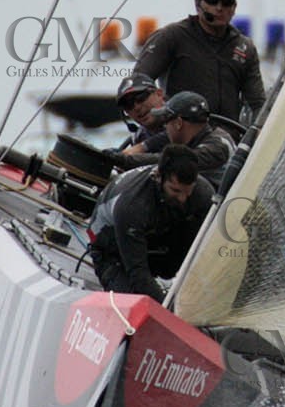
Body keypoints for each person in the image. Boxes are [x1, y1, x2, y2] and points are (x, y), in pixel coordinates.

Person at [133, 0, 266, 138]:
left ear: (234, 7)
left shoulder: (245, 48)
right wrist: (155, 116)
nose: (219, 8)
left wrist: (257, 136)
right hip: (175, 138)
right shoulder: (172, 36)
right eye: (212, 1)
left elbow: (258, 104)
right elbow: (138, 81)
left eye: (226, 2)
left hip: (225, 142)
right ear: (198, 3)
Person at [88, 144, 214, 300]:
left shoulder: (203, 192)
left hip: (156, 238)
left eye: (188, 191)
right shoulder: (132, 205)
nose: (182, 198)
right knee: (137, 299)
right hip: (113, 251)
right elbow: (138, 273)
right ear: (158, 177)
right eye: (175, 191)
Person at [109, 91, 234, 188]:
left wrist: (126, 160)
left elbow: (175, 160)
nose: (165, 128)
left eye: (166, 122)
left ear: (178, 123)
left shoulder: (218, 146)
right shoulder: (202, 138)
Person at [115, 71, 166, 150]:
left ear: (159, 94)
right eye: (128, 105)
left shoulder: (183, 117)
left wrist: (143, 147)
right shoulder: (138, 138)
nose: (136, 107)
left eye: (141, 98)